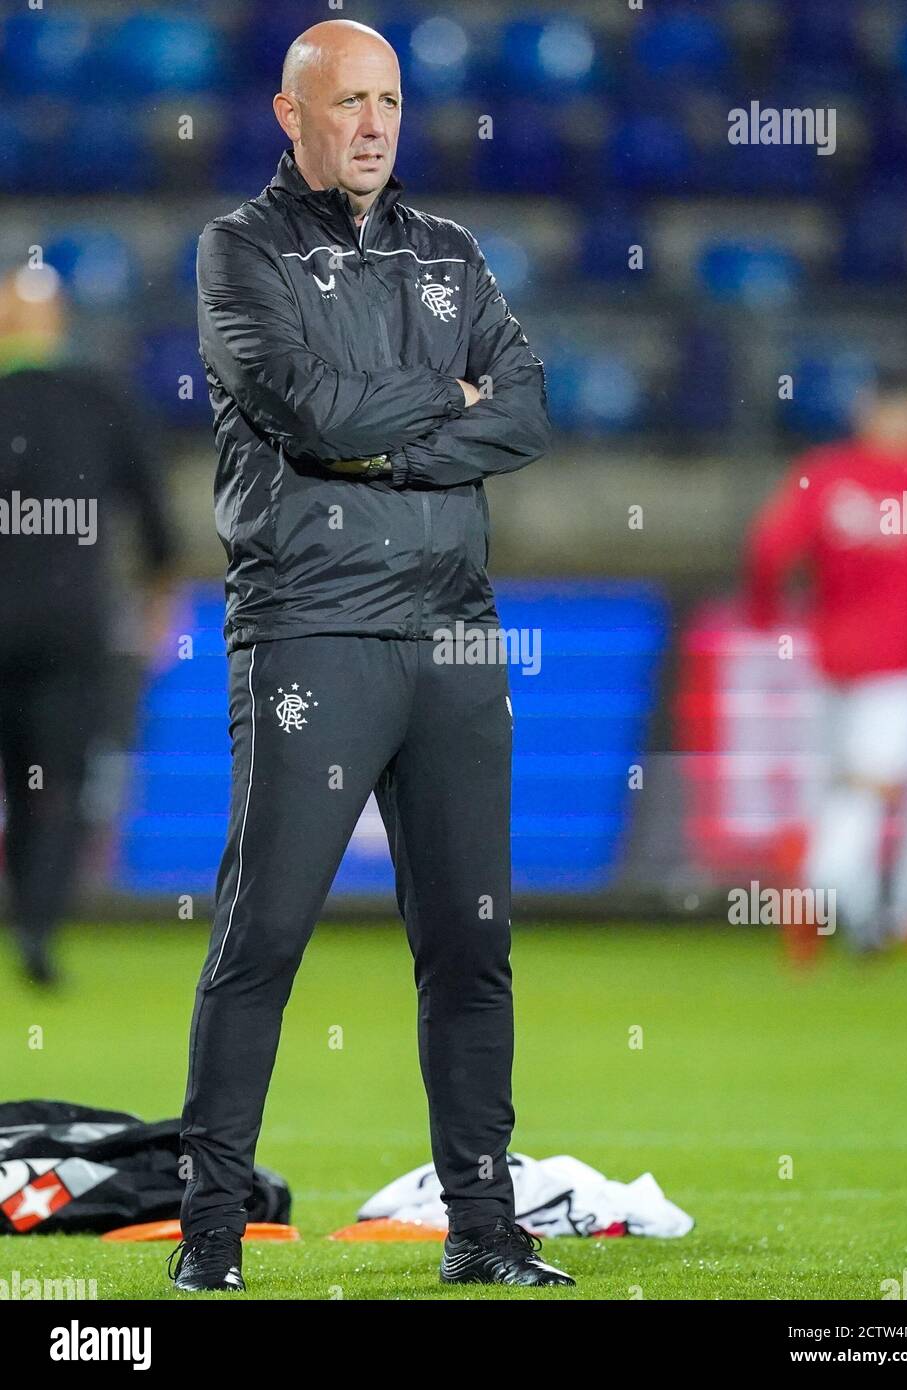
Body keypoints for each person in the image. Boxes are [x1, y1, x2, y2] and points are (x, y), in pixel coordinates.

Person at [169, 19, 574, 1291]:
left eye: (390, 100)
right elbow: (302, 406)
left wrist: (381, 440)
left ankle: (484, 1231)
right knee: (264, 935)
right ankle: (212, 1239)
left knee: (471, 944)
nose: (375, 124)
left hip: (455, 627)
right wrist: (431, 407)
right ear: (294, 116)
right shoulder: (240, 250)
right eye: (349, 102)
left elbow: (525, 408)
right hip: (314, 625)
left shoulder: (448, 251)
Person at [744, 375, 907, 954]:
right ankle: (824, 889)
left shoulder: (826, 473)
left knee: (842, 781)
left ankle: (863, 917)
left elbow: (770, 546)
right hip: (901, 662)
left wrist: (766, 614)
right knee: (874, 784)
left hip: (831, 656)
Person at [0, 264, 176, 986]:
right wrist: (159, 605)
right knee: (57, 783)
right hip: (74, 625)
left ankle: (30, 919)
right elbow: (158, 525)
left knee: (27, 778)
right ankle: (38, 927)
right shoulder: (103, 397)